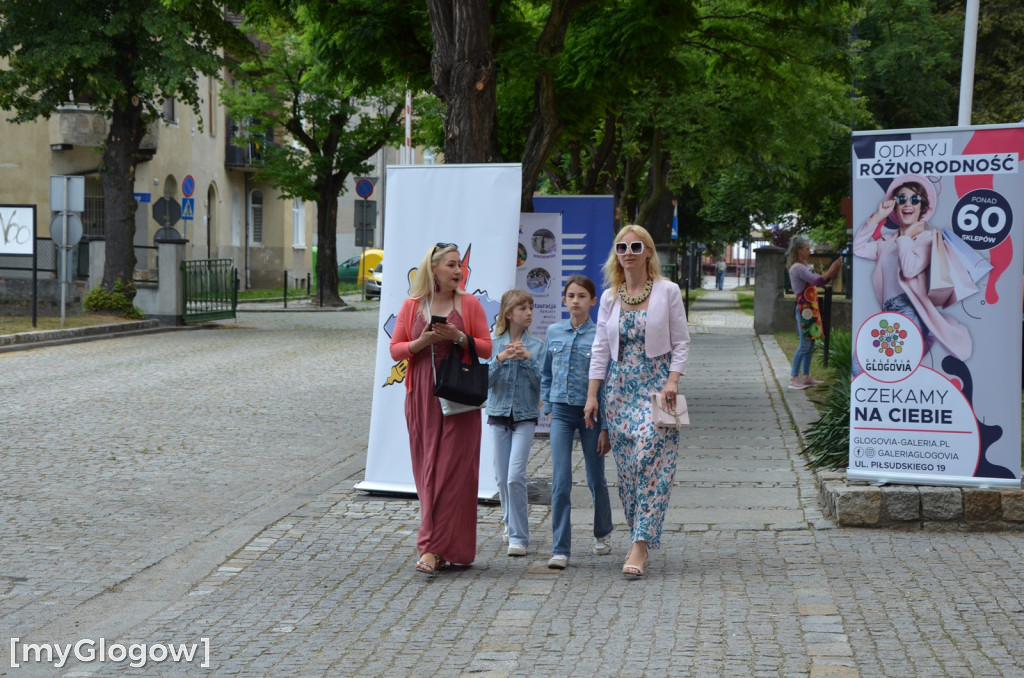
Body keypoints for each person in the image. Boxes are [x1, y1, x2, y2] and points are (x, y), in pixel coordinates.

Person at [584, 225, 690, 578]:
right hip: (618, 392)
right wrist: (592, 395)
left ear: (648, 252)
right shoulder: (611, 297)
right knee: (629, 472)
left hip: (658, 389)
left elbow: (682, 342)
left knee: (652, 461)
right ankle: (637, 532)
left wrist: (674, 379)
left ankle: (641, 543)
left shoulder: (668, 291)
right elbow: (600, 348)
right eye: (621, 246)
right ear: (616, 253)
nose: (628, 251)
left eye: (635, 246)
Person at [389, 243, 493, 575]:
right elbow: (396, 350)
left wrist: (459, 337)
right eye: (450, 265)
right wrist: (424, 342)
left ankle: (431, 548)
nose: (457, 270)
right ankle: (439, 548)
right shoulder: (412, 305)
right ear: (433, 269)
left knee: (454, 475)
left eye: (459, 265)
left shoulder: (471, 304)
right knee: (428, 473)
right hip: (421, 395)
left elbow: (488, 348)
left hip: (460, 396)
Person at [853, 173, 971, 361]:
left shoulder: (926, 239)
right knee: (870, 366)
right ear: (896, 205)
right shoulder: (887, 241)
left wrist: (906, 237)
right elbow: (858, 248)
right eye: (902, 199)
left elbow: (909, 269)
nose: (908, 203)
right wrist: (878, 216)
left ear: (922, 208)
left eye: (915, 199)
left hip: (909, 310)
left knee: (886, 366)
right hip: (888, 311)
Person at [540, 275, 613, 570]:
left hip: (591, 415)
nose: (575, 301)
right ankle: (560, 548)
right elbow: (546, 371)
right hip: (560, 411)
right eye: (571, 295)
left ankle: (602, 531)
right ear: (563, 300)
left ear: (593, 301)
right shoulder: (554, 331)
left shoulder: (600, 335)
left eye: (582, 296)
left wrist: (605, 426)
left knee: (596, 478)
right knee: (560, 480)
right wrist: (547, 402)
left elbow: (606, 383)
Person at [487, 289, 544, 558]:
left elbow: (544, 383)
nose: (529, 312)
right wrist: (501, 359)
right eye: (523, 308)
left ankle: (519, 537)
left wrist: (529, 361)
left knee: (514, 477)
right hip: (498, 415)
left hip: (525, 417)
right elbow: (482, 381)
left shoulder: (537, 347)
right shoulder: (493, 343)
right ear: (508, 313)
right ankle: (510, 525)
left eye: (531, 307)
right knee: (501, 478)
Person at [786, 235, 842, 390]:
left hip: (810, 309)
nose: (809, 251)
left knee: (810, 344)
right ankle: (794, 377)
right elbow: (817, 281)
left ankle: (806, 376)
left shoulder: (803, 265)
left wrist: (831, 272)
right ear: (798, 250)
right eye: (806, 249)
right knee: (805, 345)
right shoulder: (798, 268)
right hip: (804, 310)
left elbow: (821, 281)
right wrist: (833, 268)